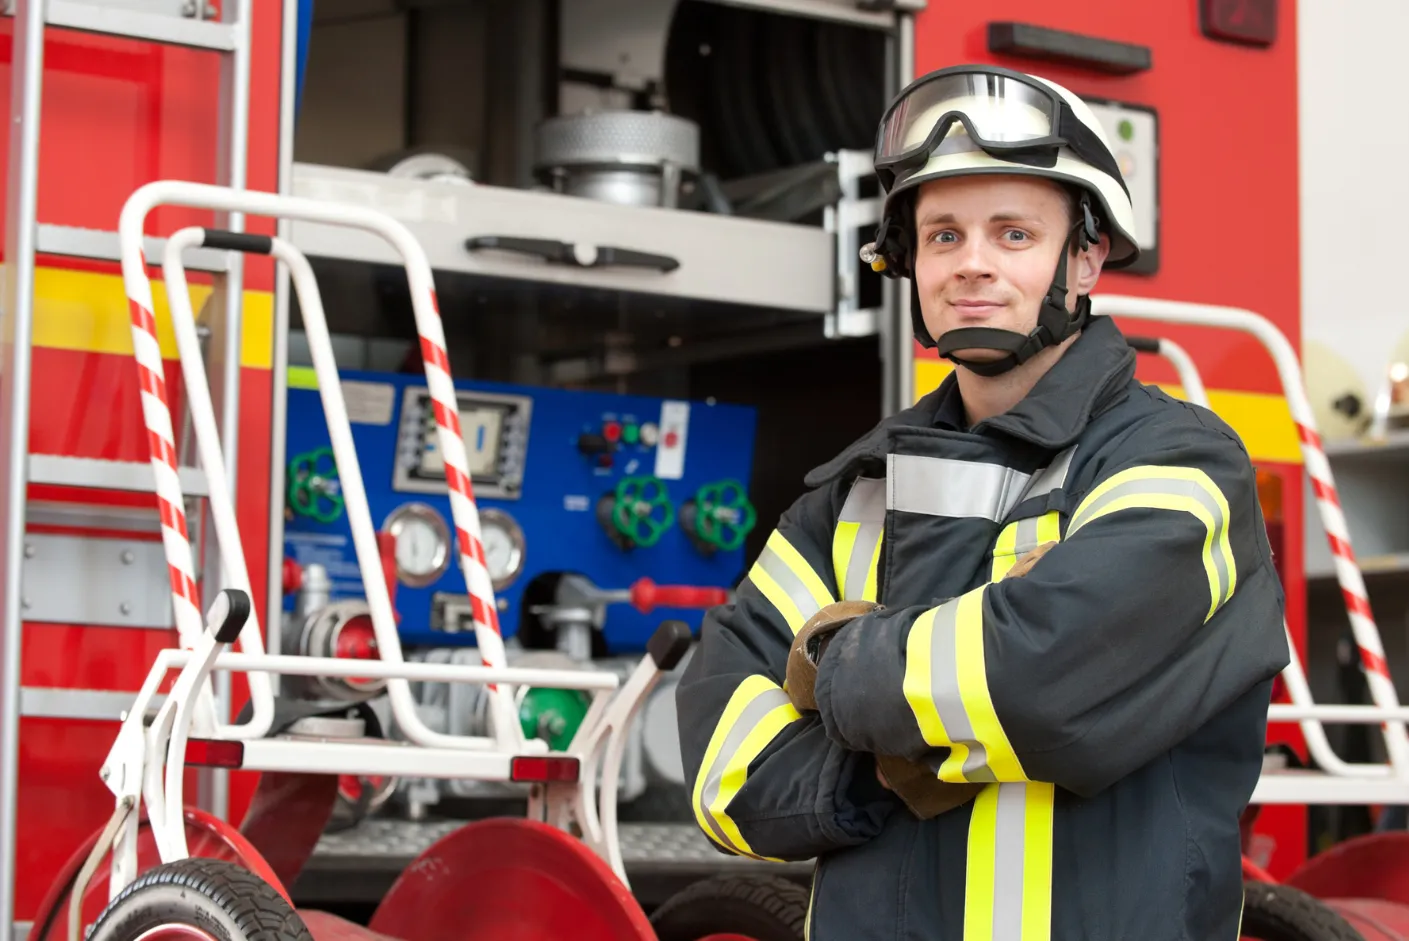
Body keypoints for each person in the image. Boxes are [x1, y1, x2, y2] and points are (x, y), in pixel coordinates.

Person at [674, 64, 1289, 941]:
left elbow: (1035, 684)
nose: (971, 265)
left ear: (1083, 257)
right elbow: (717, 751)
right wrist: (875, 772)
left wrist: (835, 659)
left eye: (1011, 234)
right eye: (941, 235)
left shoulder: (1178, 461)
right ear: (907, 260)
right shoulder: (856, 490)